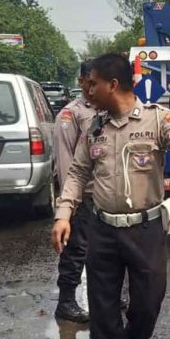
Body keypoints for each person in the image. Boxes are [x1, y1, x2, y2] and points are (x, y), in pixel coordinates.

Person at [51, 53, 170, 339]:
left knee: (147, 306)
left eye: (93, 84)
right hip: (103, 230)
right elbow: (78, 173)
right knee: (104, 310)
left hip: (145, 230)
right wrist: (63, 214)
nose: (88, 90)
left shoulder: (157, 118)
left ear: (113, 84)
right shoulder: (93, 127)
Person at [52, 60, 96, 323]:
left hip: (101, 196)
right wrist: (70, 203)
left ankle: (106, 295)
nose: (92, 88)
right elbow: (66, 160)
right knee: (75, 250)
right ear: (80, 82)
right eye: (88, 82)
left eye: (96, 82)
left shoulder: (104, 109)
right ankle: (66, 302)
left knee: (100, 250)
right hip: (81, 196)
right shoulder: (71, 114)